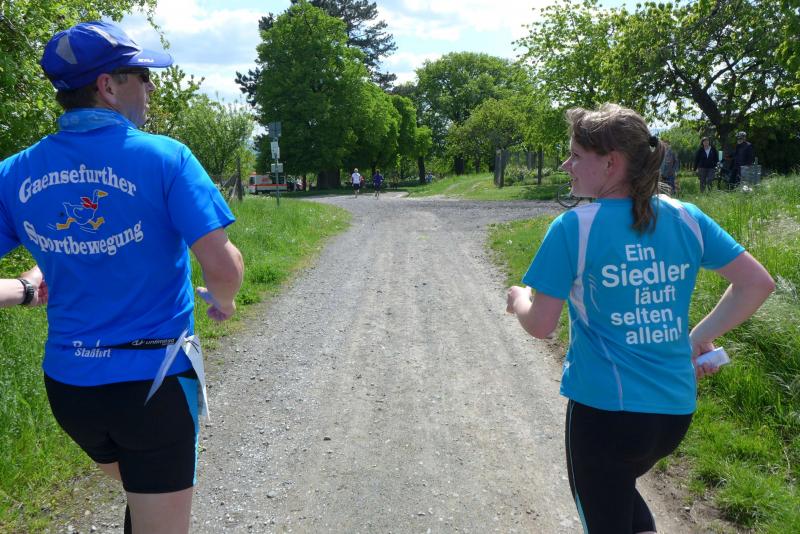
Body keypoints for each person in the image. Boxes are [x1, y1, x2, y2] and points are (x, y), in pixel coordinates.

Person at [0, 21, 244, 534]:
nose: (151, 87)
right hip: (154, 382)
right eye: (142, 76)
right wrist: (224, 302)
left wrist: (23, 290)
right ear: (108, 86)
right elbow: (223, 267)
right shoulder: (167, 158)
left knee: (142, 492)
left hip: (70, 388)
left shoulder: (14, 172)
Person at [506, 104, 774, 534]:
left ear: (610, 162)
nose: (565, 165)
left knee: (607, 507)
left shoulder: (574, 227)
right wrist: (697, 337)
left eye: (575, 155)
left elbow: (540, 325)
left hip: (605, 416)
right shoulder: (686, 216)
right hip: (672, 414)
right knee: (619, 494)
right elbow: (756, 284)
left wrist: (520, 298)